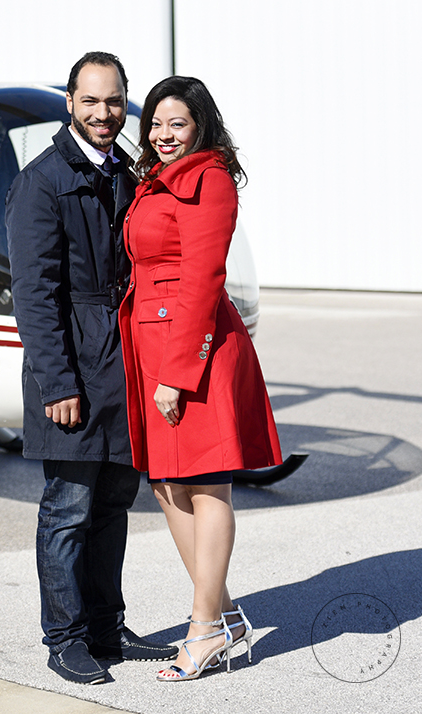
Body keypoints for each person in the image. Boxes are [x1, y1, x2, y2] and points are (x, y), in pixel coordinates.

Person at [6, 51, 176, 686]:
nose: (104, 113)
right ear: (70, 104)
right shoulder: (42, 181)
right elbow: (34, 291)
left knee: (113, 503)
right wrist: (58, 382)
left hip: (125, 363)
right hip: (75, 364)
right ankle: (66, 636)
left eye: (114, 102)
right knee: (69, 506)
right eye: (91, 101)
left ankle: (107, 626)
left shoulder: (129, 174)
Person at [118, 76, 283, 681]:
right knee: (166, 485)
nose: (162, 136)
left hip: (194, 350)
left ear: (200, 127)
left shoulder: (209, 179)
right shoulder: (155, 181)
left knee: (206, 485)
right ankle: (225, 614)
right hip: (151, 342)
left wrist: (177, 374)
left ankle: (203, 627)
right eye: (155, 125)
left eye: (176, 125)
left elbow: (203, 278)